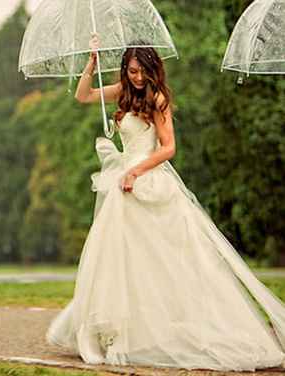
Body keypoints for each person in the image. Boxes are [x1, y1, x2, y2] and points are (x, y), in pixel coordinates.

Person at [45, 34, 285, 372]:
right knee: (118, 258)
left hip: (148, 182)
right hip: (123, 187)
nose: (137, 77)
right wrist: (91, 64)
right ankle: (117, 331)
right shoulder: (123, 93)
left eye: (142, 71)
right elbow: (84, 96)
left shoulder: (157, 99)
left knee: (164, 259)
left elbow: (168, 148)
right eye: (131, 71)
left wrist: (136, 172)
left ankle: (169, 328)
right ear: (125, 70)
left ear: (152, 69)